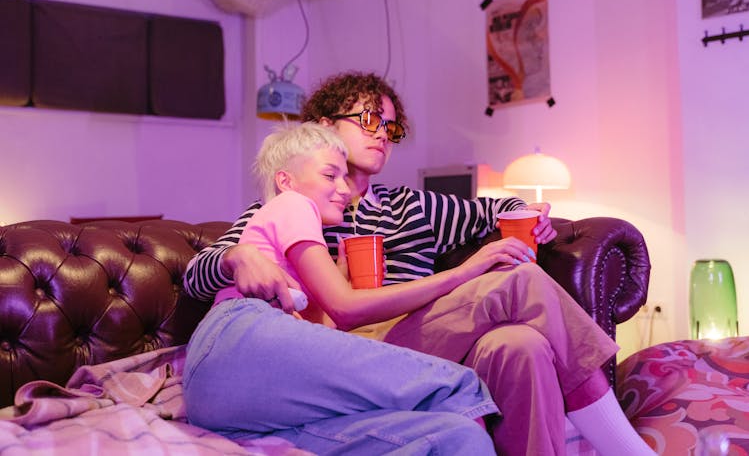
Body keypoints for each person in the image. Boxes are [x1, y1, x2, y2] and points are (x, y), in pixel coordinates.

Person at [184, 72, 654, 456]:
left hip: (417, 338)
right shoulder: (295, 200)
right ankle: (624, 447)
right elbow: (198, 273)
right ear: (325, 125)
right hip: (336, 354)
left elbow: (496, 209)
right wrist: (235, 256)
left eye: (391, 127)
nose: (382, 134)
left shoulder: (413, 207)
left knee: (521, 344)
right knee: (522, 289)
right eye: (369, 119)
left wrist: (530, 218)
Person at [183, 122, 499, 455]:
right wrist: (464, 273)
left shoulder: (308, 248)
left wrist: (340, 278)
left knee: (457, 436)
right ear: (286, 181)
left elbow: (323, 331)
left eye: (344, 178)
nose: (345, 189)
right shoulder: (292, 204)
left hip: (241, 408)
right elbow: (345, 308)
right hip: (234, 345)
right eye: (330, 175)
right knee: (458, 386)